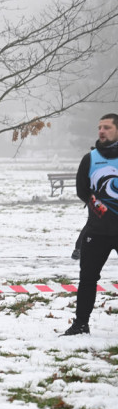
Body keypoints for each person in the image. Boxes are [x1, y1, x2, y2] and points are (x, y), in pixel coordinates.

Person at [64, 112, 118, 336]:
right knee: (87, 279)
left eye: (106, 127)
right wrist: (97, 207)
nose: (101, 131)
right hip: (97, 231)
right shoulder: (91, 158)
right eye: (99, 127)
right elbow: (82, 190)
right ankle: (80, 324)